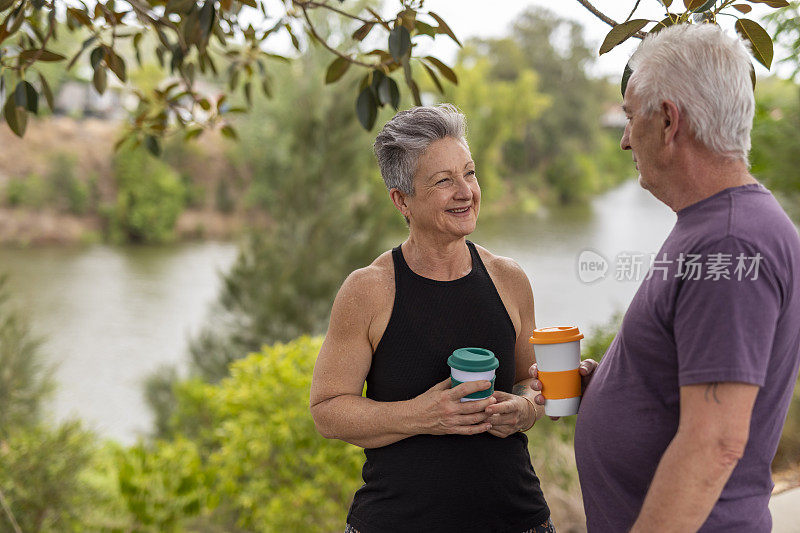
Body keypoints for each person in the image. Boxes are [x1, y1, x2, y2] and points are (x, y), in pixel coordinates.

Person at [531, 23, 800, 532]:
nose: (625, 139)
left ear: (669, 121)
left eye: (632, 117)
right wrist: (616, 384)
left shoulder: (730, 241)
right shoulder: (715, 224)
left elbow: (715, 443)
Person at [310, 104, 555, 533]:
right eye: (444, 181)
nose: (466, 192)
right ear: (401, 200)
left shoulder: (509, 279)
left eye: (470, 173)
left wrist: (524, 410)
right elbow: (328, 412)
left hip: (518, 520)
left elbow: (532, 385)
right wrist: (422, 415)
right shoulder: (368, 289)